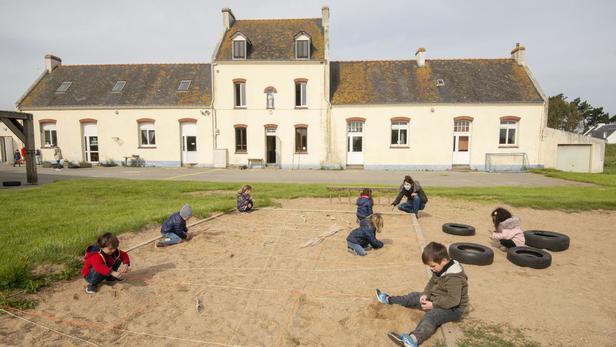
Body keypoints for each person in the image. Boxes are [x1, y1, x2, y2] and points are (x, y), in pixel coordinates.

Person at [376, 242, 469, 347]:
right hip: (438, 298)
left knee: (432, 316)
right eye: (430, 267)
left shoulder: (454, 278)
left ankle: (413, 340)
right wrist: (425, 294)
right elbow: (432, 282)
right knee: (415, 296)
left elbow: (453, 300)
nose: (432, 269)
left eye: (433, 266)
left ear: (444, 261)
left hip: (454, 309)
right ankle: (389, 299)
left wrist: (433, 305)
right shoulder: (440, 268)